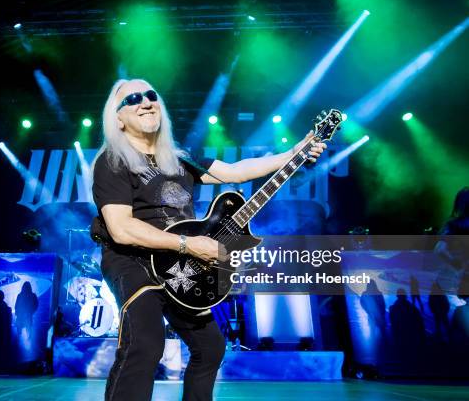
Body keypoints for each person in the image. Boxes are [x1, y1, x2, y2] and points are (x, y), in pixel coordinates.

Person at [91, 78, 327, 401]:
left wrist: (292, 153)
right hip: (133, 263)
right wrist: (189, 245)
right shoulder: (112, 162)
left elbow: (236, 171)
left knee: (211, 347)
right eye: (133, 98)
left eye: (150, 95)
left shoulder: (180, 158)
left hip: (182, 267)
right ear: (118, 118)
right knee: (145, 343)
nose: (145, 101)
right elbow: (121, 228)